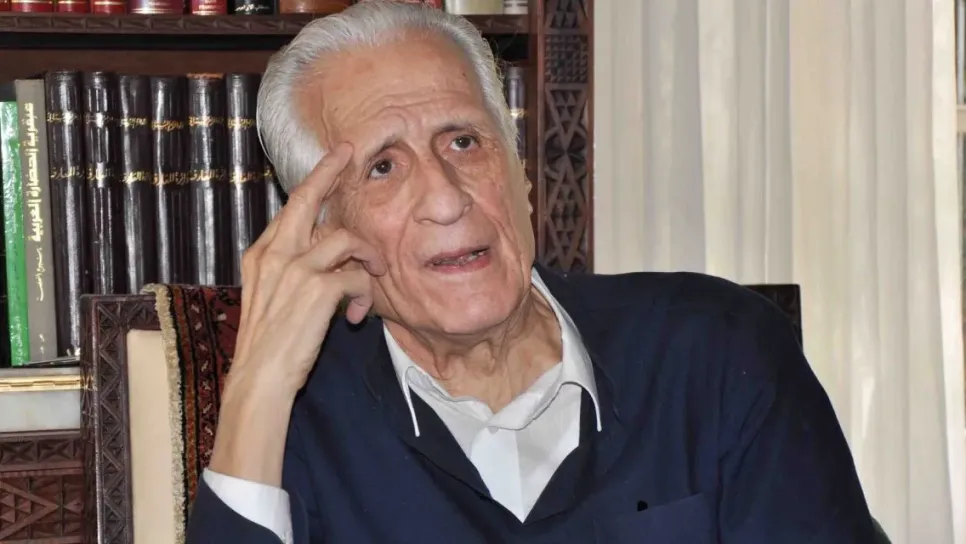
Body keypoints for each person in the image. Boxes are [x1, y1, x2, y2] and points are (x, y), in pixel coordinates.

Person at [186, 1, 878, 542]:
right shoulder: (295, 426)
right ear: (324, 235)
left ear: (520, 177)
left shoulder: (716, 352)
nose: (446, 198)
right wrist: (257, 386)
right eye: (383, 167)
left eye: (464, 141)